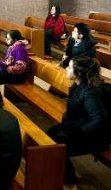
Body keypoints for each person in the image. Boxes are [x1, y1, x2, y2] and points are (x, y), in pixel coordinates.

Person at [47, 56, 110, 187]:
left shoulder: (90, 93)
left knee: (56, 144)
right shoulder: (78, 85)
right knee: (50, 134)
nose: (66, 69)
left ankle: (69, 181)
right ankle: (64, 175)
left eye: (69, 67)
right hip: (79, 126)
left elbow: (99, 120)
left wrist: (78, 131)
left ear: (79, 73)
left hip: (94, 137)